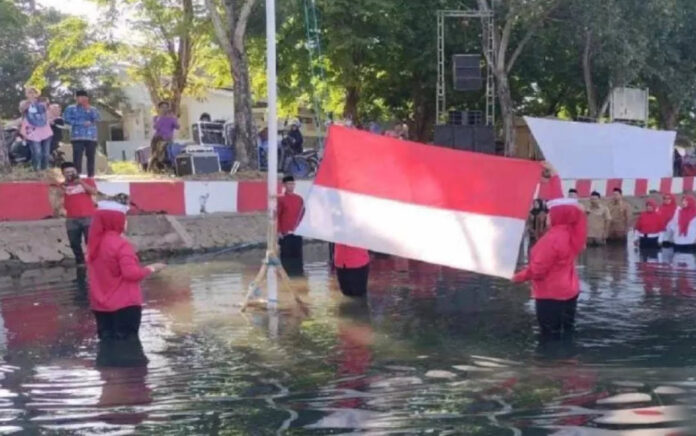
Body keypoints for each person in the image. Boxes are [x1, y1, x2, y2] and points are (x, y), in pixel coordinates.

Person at [87, 200, 166, 340]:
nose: (126, 222)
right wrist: (152, 268)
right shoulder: (121, 245)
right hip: (125, 306)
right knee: (129, 350)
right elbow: (131, 274)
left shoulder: (94, 245)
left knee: (108, 347)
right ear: (116, 221)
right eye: (124, 218)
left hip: (99, 307)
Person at [513, 194, 587, 339]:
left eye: (549, 213)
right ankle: (568, 360)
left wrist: (516, 277)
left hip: (551, 294)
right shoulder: (573, 234)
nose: (547, 216)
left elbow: (537, 270)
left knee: (549, 336)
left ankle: (548, 362)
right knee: (567, 332)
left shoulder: (550, 240)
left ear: (557, 216)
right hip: (570, 291)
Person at [56, 162, 98, 265]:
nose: (70, 174)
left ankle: (94, 262)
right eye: (67, 172)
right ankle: (80, 262)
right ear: (63, 174)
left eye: (72, 171)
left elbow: (94, 191)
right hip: (71, 218)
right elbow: (58, 198)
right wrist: (63, 187)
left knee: (91, 242)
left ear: (76, 171)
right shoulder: (62, 185)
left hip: (88, 217)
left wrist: (80, 182)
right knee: (74, 242)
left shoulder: (87, 181)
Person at [64, 90, 100, 177]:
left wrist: (88, 109)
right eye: (80, 97)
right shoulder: (70, 108)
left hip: (91, 136)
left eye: (84, 97)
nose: (82, 99)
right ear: (76, 98)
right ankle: (77, 175)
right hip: (77, 136)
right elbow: (67, 119)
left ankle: (91, 175)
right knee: (77, 156)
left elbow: (97, 118)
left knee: (91, 156)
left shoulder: (92, 109)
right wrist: (81, 123)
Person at [20, 87, 53, 171]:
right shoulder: (24, 103)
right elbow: (22, 109)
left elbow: (48, 111)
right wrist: (29, 103)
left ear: (37, 93)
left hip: (45, 130)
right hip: (32, 130)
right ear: (26, 94)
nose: (32, 94)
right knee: (37, 152)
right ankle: (36, 169)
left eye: (34, 92)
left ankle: (44, 169)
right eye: (29, 92)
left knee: (46, 153)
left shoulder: (42, 102)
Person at [277, 175, 304, 276]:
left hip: (297, 233)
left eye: (292, 184)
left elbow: (302, 215)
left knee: (298, 256)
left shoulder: (299, 199)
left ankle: (299, 275)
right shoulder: (281, 199)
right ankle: (286, 276)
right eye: (289, 184)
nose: (291, 186)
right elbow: (277, 216)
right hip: (285, 234)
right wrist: (279, 231)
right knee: (286, 257)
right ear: (284, 185)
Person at [149, 101, 179, 172]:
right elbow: (156, 127)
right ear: (159, 109)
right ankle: (152, 166)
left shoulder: (171, 118)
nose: (164, 109)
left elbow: (177, 127)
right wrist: (161, 117)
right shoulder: (156, 118)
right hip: (158, 139)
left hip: (168, 140)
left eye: (166, 107)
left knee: (170, 152)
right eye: (162, 107)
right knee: (157, 152)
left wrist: (174, 119)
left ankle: (170, 167)